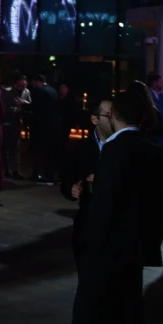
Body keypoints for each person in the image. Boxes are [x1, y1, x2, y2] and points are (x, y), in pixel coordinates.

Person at [67, 91, 163, 324]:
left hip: (105, 250)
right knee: (130, 314)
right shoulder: (153, 150)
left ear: (112, 115)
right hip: (135, 250)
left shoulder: (114, 151)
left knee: (89, 316)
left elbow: (105, 209)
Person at [60, 99, 110, 270]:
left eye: (116, 115)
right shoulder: (82, 148)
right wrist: (71, 189)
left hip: (115, 222)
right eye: (109, 115)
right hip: (88, 219)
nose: (114, 119)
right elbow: (68, 180)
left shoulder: (122, 147)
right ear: (95, 120)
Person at [29, 75, 63, 183]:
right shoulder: (53, 91)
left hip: (44, 126)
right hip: (55, 124)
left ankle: (44, 175)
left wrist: (24, 105)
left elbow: (36, 108)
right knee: (52, 151)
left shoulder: (40, 91)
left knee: (43, 151)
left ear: (38, 82)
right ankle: (51, 175)